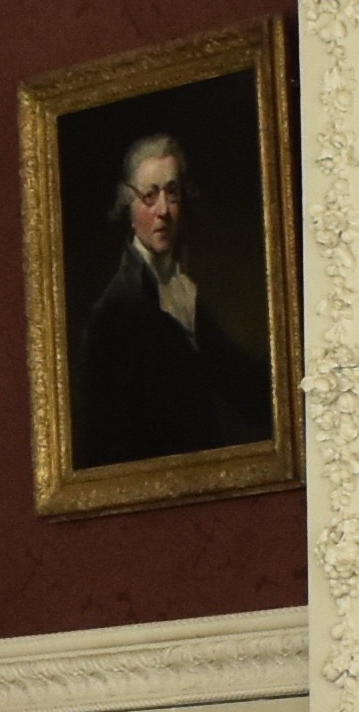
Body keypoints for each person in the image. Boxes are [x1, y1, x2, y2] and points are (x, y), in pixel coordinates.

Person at [69, 127, 272, 469]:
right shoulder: (115, 311)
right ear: (129, 206)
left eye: (172, 193)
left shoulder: (184, 291)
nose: (163, 209)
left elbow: (242, 385)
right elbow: (106, 446)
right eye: (150, 196)